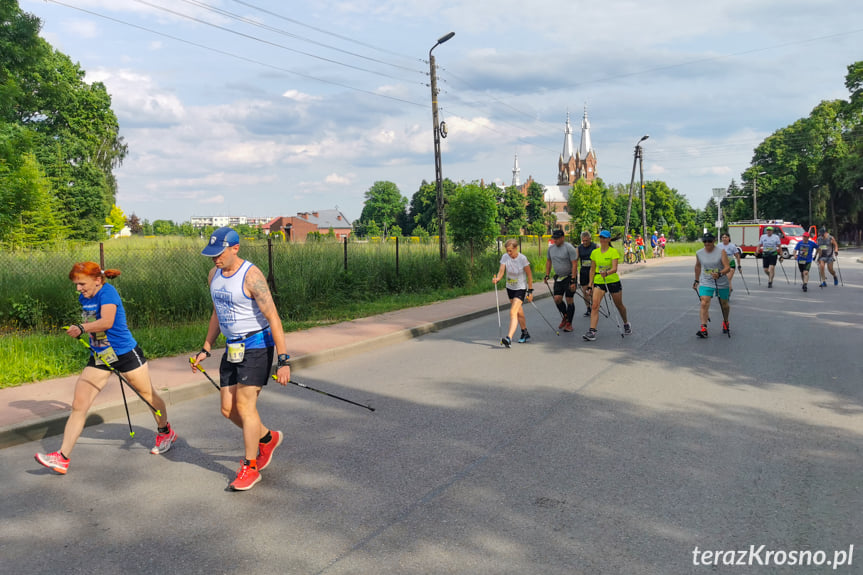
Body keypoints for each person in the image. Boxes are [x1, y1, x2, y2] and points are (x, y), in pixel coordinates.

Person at [35, 263, 176, 475]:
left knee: (148, 396)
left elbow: (107, 321)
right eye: (76, 284)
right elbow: (94, 323)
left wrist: (81, 328)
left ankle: (165, 432)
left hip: (125, 353)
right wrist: (87, 332)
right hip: (101, 355)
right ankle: (62, 457)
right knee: (79, 404)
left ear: (97, 280)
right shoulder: (85, 297)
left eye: (81, 283)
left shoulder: (108, 292)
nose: (78, 289)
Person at [191, 227, 291, 491]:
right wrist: (206, 347)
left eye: (219, 253)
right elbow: (217, 313)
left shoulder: (252, 276)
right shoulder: (213, 275)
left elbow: (274, 318)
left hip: (257, 345)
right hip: (232, 347)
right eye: (211, 254)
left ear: (235, 248)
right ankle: (267, 438)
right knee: (228, 410)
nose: (214, 259)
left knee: (246, 407)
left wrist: (283, 360)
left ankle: (250, 466)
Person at [583, 230, 631, 341]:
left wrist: (607, 273)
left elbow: (615, 268)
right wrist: (590, 285)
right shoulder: (595, 253)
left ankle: (625, 323)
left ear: (609, 239)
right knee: (595, 306)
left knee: (619, 305)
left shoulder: (613, 252)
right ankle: (592, 331)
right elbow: (592, 269)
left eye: (604, 238)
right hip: (599, 281)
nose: (602, 240)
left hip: (612, 281)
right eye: (601, 238)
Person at [493, 238, 534, 347]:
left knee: (513, 312)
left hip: (520, 288)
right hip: (510, 288)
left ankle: (509, 338)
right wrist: (497, 278)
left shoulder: (522, 259)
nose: (508, 253)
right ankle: (525, 332)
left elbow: (529, 275)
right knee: (519, 312)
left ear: (516, 248)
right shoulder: (505, 257)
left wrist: (530, 291)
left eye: (510, 250)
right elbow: (501, 271)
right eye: (507, 250)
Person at [694, 233, 732, 337]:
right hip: (706, 281)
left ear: (714, 241)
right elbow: (698, 266)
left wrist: (719, 273)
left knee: (724, 304)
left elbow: (727, 267)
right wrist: (696, 281)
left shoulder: (721, 252)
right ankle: (703, 328)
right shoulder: (699, 253)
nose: (707, 243)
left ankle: (725, 321)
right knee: (704, 302)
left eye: (709, 241)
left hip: (720, 281)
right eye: (705, 241)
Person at [543, 230, 578, 332]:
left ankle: (569, 324)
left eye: (557, 238)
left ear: (563, 237)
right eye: (554, 238)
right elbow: (548, 261)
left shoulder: (569, 248)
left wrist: (573, 280)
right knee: (557, 299)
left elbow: (574, 264)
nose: (555, 240)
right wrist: (547, 275)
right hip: (558, 277)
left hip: (569, 277)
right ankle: (565, 315)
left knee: (569, 299)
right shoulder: (551, 249)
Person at [576, 231, 598, 317]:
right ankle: (588, 307)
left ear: (590, 239)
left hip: (593, 272)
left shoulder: (595, 246)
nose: (584, 242)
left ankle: (594, 307)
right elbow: (576, 260)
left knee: (591, 291)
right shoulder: (579, 248)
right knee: (585, 292)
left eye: (586, 240)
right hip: (584, 272)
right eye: (583, 240)